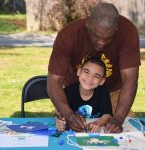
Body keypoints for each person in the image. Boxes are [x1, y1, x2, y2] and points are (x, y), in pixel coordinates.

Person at [47, 2, 140, 133]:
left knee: (125, 133)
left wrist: (118, 119)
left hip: (114, 93)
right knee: (65, 131)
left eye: (108, 38)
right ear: (88, 23)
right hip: (74, 93)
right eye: (96, 36)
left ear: (116, 29)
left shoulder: (128, 32)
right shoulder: (68, 35)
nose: (101, 42)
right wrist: (68, 114)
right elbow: (53, 82)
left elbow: (130, 79)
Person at [56, 56, 112, 132]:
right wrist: (60, 123)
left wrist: (98, 123)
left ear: (102, 81)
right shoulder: (68, 91)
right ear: (79, 71)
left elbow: (107, 114)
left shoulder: (103, 92)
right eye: (86, 72)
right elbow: (61, 113)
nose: (90, 78)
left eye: (96, 76)